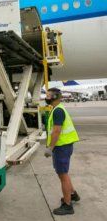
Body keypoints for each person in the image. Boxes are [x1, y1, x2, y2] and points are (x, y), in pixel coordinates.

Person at [44, 87, 80, 215]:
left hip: (61, 147)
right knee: (63, 173)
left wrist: (50, 148)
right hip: (64, 146)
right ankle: (73, 194)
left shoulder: (58, 111)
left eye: (48, 95)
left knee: (63, 175)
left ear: (54, 97)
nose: (46, 97)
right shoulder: (56, 109)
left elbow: (57, 131)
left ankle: (68, 205)